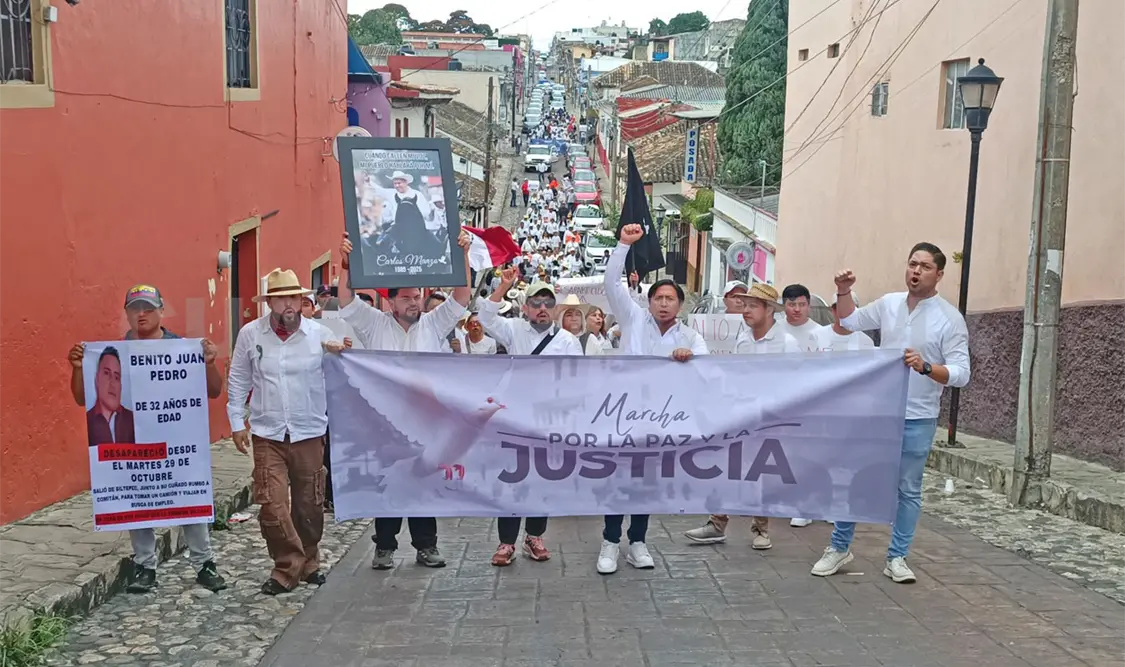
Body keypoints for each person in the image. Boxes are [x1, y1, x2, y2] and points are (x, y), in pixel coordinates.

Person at [809, 243, 969, 584]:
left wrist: (926, 367)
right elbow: (850, 320)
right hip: (878, 412)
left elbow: (961, 373)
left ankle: (897, 557)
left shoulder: (949, 318)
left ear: (939, 274)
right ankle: (839, 547)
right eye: (913, 264)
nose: (916, 271)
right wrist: (843, 290)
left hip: (918, 416)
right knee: (855, 478)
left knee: (907, 488)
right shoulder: (889, 304)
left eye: (925, 267)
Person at [69, 284, 228, 593]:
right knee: (136, 498)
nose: (141, 314)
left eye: (148, 308)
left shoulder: (182, 348)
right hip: (135, 443)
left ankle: (204, 562)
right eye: (135, 308)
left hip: (178, 441)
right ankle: (145, 566)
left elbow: (213, 391)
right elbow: (82, 399)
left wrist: (208, 362)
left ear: (160, 311)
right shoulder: (112, 355)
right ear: (127, 313)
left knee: (188, 497)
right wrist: (77, 368)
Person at [338, 231, 473, 570]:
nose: (414, 302)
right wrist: (345, 266)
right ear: (391, 302)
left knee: (423, 485)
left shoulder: (433, 323)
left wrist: (463, 256)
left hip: (426, 422)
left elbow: (461, 298)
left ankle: (426, 546)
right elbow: (346, 301)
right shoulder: (373, 324)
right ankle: (384, 547)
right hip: (385, 423)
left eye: (418, 296)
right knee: (389, 486)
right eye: (408, 298)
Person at [227, 269, 350, 595]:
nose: (289, 305)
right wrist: (236, 421)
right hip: (268, 434)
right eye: (281, 298)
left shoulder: (319, 334)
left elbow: (346, 369)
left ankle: (309, 561)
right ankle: (287, 567)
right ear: (270, 303)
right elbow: (239, 377)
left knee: (309, 505)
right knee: (272, 504)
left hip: (309, 431)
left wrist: (343, 352)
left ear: (302, 300)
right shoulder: (251, 335)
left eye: (294, 298)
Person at [599, 223, 708, 575]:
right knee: (618, 480)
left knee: (646, 482)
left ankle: (639, 542)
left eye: (670, 299)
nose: (664, 304)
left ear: (679, 304)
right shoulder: (632, 319)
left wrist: (689, 359)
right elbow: (612, 284)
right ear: (648, 301)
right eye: (658, 298)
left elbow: (708, 369)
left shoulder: (690, 336)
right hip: (623, 415)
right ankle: (610, 543)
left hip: (663, 421)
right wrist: (623, 245)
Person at [683, 282, 800, 550]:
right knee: (728, 467)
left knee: (761, 474)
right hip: (741, 415)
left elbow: (795, 383)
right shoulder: (743, 338)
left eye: (752, 306)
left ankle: (761, 528)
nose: (745, 310)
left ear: (769, 310)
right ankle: (717, 522)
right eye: (744, 305)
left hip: (771, 418)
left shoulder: (788, 343)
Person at [479, 268, 583, 566]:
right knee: (511, 480)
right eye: (536, 303)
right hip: (515, 419)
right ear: (525, 307)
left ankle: (535, 536)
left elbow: (579, 381)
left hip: (551, 420)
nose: (542, 309)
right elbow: (485, 317)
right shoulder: (513, 330)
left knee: (542, 480)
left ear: (555, 308)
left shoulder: (567, 341)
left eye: (548, 304)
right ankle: (506, 542)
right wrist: (503, 287)